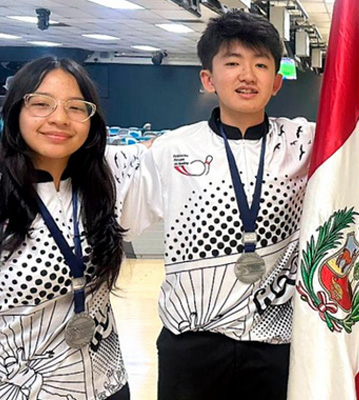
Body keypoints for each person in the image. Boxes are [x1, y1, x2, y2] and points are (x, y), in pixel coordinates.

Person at [120, 10, 314, 400]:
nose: (248, 75)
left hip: (276, 342)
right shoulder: (172, 149)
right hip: (192, 345)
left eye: (261, 64)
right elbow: (118, 211)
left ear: (276, 82)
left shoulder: (304, 141)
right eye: (233, 63)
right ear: (208, 79)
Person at [0, 57, 144, 399]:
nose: (60, 118)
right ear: (15, 110)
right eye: (41, 103)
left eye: (76, 107)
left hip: (106, 385)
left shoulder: (106, 180)